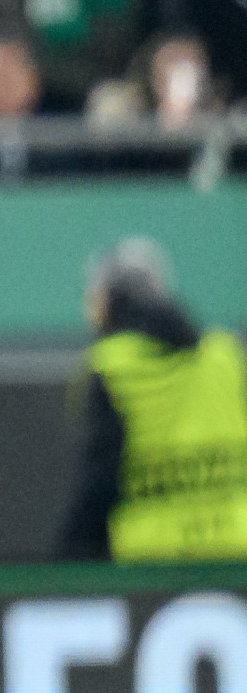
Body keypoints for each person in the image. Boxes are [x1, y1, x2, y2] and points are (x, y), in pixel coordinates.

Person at [61, 236, 247, 555]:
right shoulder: (227, 355)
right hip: (234, 556)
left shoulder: (109, 366)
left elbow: (101, 481)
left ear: (103, 302)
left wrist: (68, 558)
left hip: (150, 563)